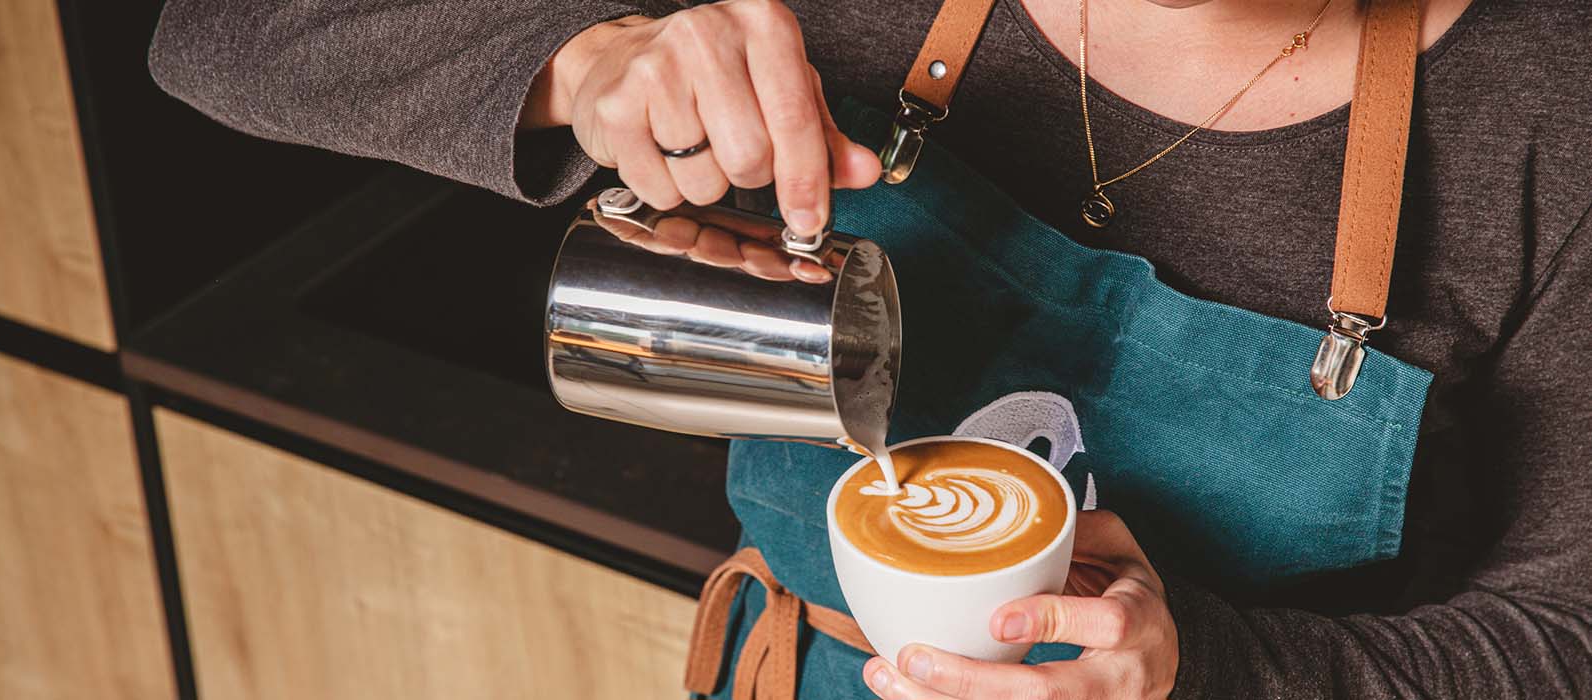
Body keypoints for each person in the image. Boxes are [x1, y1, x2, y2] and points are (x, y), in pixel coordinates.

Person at [148, 0, 1592, 697]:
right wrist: (587, 63)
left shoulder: (1550, 100)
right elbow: (221, 33)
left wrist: (1207, 673)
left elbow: (1560, 636)